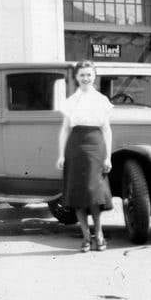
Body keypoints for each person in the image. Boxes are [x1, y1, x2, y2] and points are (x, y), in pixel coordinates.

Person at [57, 60, 114, 252]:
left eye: (89, 74)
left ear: (94, 76)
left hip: (96, 147)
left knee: (94, 194)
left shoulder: (102, 100)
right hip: (75, 148)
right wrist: (61, 156)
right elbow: (65, 130)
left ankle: (99, 233)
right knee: (78, 194)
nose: (85, 78)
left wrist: (108, 158)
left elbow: (107, 130)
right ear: (76, 77)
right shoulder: (71, 102)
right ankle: (85, 237)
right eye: (82, 75)